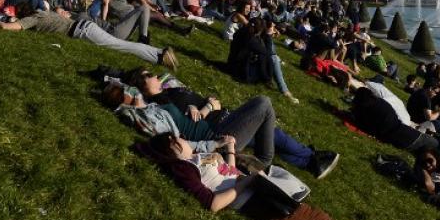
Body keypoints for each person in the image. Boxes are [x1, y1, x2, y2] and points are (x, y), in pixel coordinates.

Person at [130, 73, 338, 178]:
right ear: (142, 87)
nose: (156, 76)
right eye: (149, 76)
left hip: (220, 119)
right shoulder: (155, 105)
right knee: (263, 104)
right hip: (216, 135)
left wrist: (202, 105)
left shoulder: (171, 90)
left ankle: (310, 162)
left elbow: (204, 100)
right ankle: (265, 161)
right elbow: (130, 102)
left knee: (270, 129)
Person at [143, 132, 350, 220]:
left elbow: (228, 171)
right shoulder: (185, 168)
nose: (183, 139)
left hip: (264, 188)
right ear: (174, 150)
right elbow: (213, 204)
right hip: (257, 202)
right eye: (177, 140)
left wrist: (230, 148)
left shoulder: (200, 156)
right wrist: (248, 181)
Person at [0, 6, 177, 70]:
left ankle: (160, 55)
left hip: (83, 31)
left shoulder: (34, 18)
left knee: (121, 46)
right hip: (85, 28)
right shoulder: (43, 12)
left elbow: (9, 27)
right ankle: (158, 54)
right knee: (122, 45)